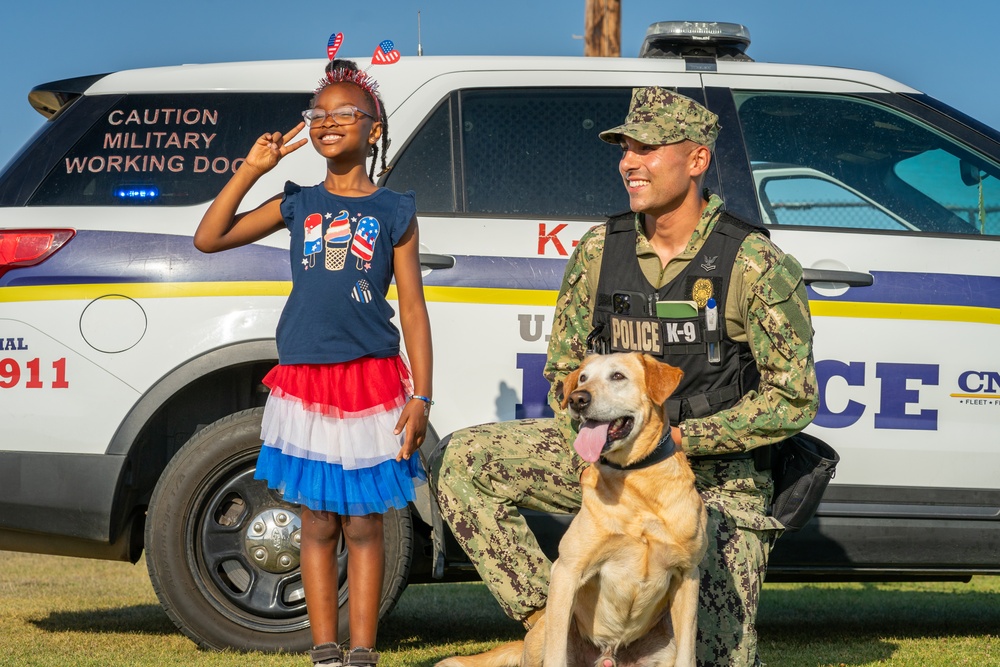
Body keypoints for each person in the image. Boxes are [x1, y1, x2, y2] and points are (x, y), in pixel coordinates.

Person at [430, 87, 818, 667]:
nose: (628, 163)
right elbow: (564, 370)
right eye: (624, 149)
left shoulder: (754, 262)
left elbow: (793, 398)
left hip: (715, 477)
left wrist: (684, 437)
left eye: (648, 148)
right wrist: (595, 452)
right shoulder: (596, 250)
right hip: (611, 459)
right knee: (463, 460)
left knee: (715, 658)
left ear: (696, 160)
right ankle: (556, 626)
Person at [194, 58, 432, 667]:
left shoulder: (395, 211)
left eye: (344, 114)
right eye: (317, 115)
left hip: (373, 382)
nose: (328, 124)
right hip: (304, 382)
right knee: (317, 522)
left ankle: (362, 652)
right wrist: (252, 169)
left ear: (373, 129)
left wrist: (421, 395)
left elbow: (412, 309)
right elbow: (210, 236)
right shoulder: (297, 202)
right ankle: (324, 650)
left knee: (365, 525)